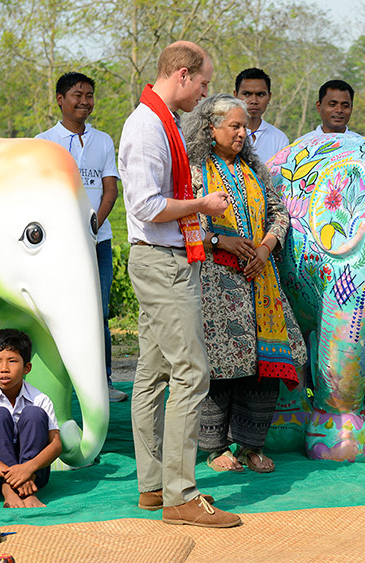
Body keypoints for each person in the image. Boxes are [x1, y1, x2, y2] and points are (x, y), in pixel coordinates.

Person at [119, 40, 241, 528]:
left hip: (165, 259)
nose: (205, 92)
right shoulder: (147, 127)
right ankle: (181, 495)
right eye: (204, 83)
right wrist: (203, 206)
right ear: (183, 75)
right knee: (192, 373)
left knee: (153, 373)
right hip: (163, 262)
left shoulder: (161, 120)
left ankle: (154, 486)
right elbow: (147, 206)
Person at [183, 94, 307, 473]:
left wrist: (265, 248)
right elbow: (184, 225)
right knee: (219, 366)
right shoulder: (193, 171)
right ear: (211, 129)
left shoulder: (255, 170)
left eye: (244, 127)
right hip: (214, 284)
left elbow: (279, 214)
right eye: (234, 126)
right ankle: (216, 448)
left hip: (259, 280)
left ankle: (251, 446)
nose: (242, 133)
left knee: (263, 365)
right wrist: (221, 241)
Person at [35, 72, 127, 403]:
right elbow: (39, 193)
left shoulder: (103, 141)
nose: (85, 101)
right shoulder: (43, 141)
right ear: (60, 99)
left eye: (89, 95)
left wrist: (92, 227)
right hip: (57, 246)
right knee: (54, 313)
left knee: (97, 313)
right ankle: (53, 384)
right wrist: (66, 231)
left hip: (97, 242)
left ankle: (103, 382)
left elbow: (110, 189)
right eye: (78, 95)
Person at [0, 329, 61, 508]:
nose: (4, 368)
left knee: (34, 414)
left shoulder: (40, 399)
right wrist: (12, 476)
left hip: (34, 472)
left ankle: (26, 486)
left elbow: (56, 445)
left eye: (12, 361)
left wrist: (27, 469)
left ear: (27, 367)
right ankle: (10, 488)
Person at [234, 68, 289, 166]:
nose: (254, 101)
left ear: (269, 97)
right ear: (235, 96)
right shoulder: (225, 134)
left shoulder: (279, 139)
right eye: (247, 94)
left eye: (260, 94)